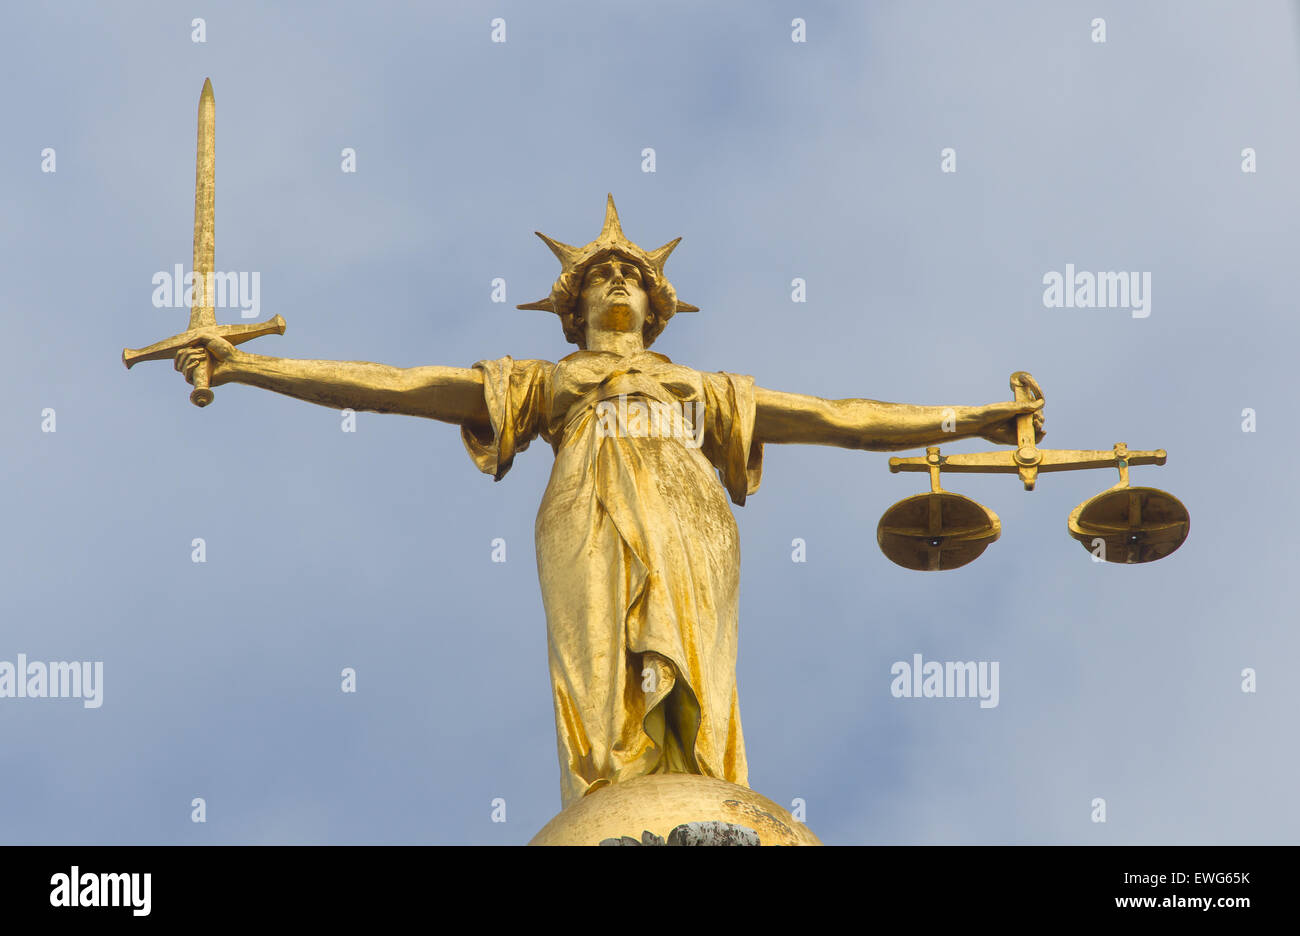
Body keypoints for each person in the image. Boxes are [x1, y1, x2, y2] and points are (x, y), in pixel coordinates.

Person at [175, 195, 1044, 807]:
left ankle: (698, 786)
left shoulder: (703, 393)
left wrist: (968, 419)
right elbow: (398, 388)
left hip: (689, 515)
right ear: (575, 304)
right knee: (597, 684)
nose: (620, 279)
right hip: (585, 506)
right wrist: (254, 365)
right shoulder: (549, 385)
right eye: (603, 275)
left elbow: (838, 418)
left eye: (633, 273)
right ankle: (612, 794)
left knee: (698, 673)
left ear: (659, 308)